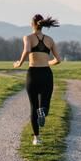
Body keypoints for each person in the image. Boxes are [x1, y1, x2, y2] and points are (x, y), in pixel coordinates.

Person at [13, 13, 61, 145]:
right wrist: (48, 62)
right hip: (46, 74)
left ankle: (36, 139)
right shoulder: (50, 40)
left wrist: (19, 63)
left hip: (32, 74)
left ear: (32, 24)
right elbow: (58, 60)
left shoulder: (28, 37)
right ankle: (43, 111)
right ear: (43, 25)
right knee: (44, 103)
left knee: (33, 106)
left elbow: (27, 50)